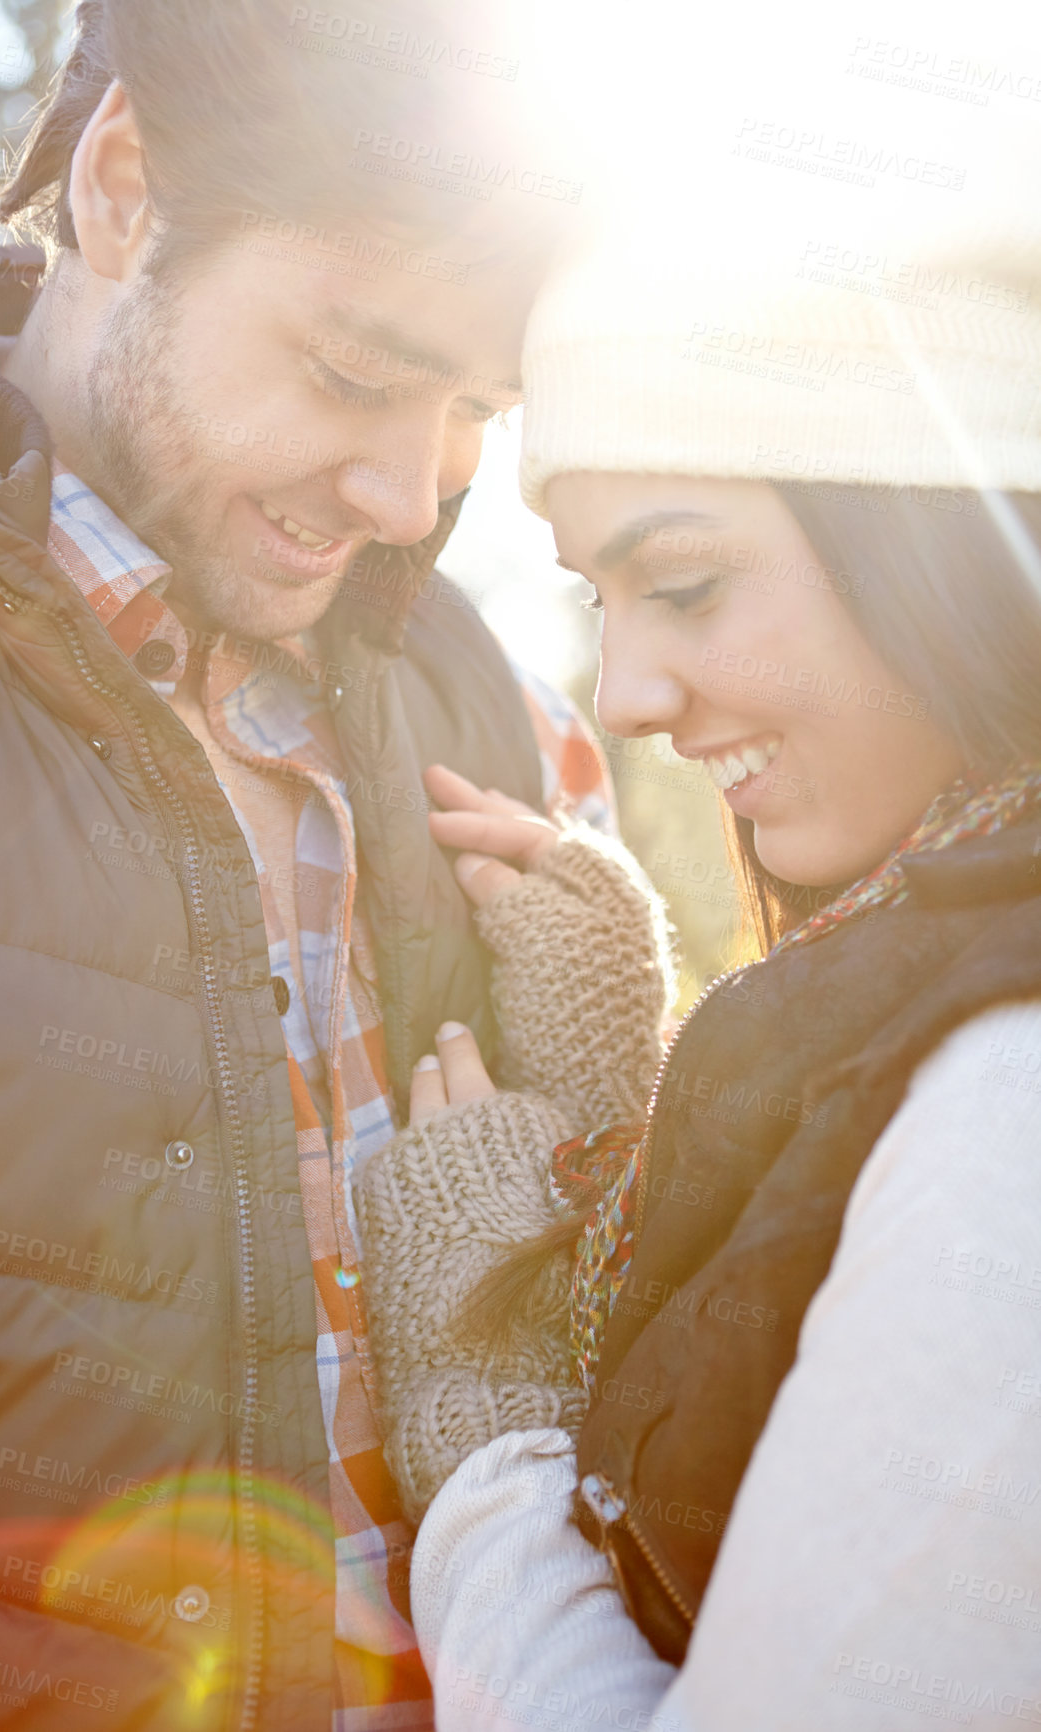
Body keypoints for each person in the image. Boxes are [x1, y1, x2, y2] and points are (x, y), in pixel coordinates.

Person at [0, 2, 609, 1725]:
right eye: (356, 374)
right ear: (125, 186)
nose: (407, 494)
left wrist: (629, 1123)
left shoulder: (474, 698)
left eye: (471, 412)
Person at [351, 215, 1041, 1730]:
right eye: (600, 601)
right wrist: (631, 1108)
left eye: (680, 584)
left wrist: (484, 1439)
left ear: (937, 536)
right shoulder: (945, 983)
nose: (628, 694)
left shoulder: (1009, 1111)